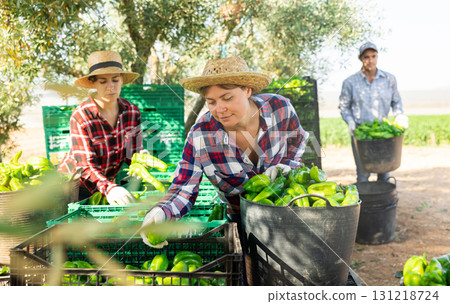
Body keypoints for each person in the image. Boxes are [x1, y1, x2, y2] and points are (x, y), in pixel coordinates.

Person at [139, 56, 309, 248]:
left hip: (288, 216)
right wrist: (161, 212)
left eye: (227, 98)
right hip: (240, 224)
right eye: (211, 102)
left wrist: (287, 166)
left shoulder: (281, 109)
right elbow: (183, 187)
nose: (220, 109)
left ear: (247, 90)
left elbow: (297, 144)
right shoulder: (200, 135)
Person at [58, 50, 142, 206]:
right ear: (93, 83)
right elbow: (85, 166)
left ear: (122, 80)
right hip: (76, 186)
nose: (110, 87)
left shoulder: (131, 112)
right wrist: (110, 188)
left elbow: (133, 154)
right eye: (103, 81)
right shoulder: (81, 116)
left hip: (105, 185)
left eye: (115, 80)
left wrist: (141, 160)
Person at [338, 42, 409, 183]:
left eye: (373, 56)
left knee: (384, 172)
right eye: (366, 57)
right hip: (361, 135)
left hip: (384, 135)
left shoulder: (389, 79)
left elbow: (396, 102)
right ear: (360, 59)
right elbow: (344, 107)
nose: (370, 60)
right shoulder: (350, 82)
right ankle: (364, 205)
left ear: (377, 57)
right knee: (363, 174)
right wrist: (350, 121)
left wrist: (399, 115)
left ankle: (384, 203)